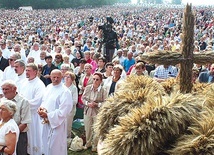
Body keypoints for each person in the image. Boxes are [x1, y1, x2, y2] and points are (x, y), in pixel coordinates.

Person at [38, 69, 73, 155]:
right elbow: (44, 101)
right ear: (50, 77)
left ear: (62, 77)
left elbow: (65, 110)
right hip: (46, 121)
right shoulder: (49, 87)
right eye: (54, 77)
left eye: (58, 77)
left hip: (57, 123)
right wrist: (41, 109)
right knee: (45, 144)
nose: (56, 79)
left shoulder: (65, 91)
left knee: (56, 147)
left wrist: (48, 115)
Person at [21, 63, 45, 155]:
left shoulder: (39, 84)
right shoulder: (24, 82)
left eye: (29, 70)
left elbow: (37, 101)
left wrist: (23, 103)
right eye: (26, 70)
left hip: (33, 115)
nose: (26, 72)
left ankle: (35, 152)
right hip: (24, 114)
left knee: (34, 135)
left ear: (35, 72)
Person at [1, 80, 31, 155]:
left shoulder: (24, 101)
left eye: (6, 89)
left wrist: (12, 134)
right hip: (3, 135)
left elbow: (24, 122)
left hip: (19, 135)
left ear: (14, 89)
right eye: (3, 89)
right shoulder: (2, 101)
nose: (4, 91)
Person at [82, 72, 108, 152]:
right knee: (88, 128)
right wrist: (88, 103)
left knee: (96, 130)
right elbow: (83, 98)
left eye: (97, 79)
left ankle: (95, 145)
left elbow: (106, 102)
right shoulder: (88, 88)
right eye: (94, 79)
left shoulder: (103, 90)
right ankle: (88, 143)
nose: (95, 81)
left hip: (98, 112)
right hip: (88, 111)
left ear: (100, 81)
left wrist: (97, 104)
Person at [64, 71, 78, 138]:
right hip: (61, 110)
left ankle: (67, 140)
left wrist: (66, 103)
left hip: (70, 111)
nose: (66, 78)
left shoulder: (74, 88)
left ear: (72, 79)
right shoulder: (62, 86)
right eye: (65, 77)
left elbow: (75, 101)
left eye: (68, 77)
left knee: (68, 127)